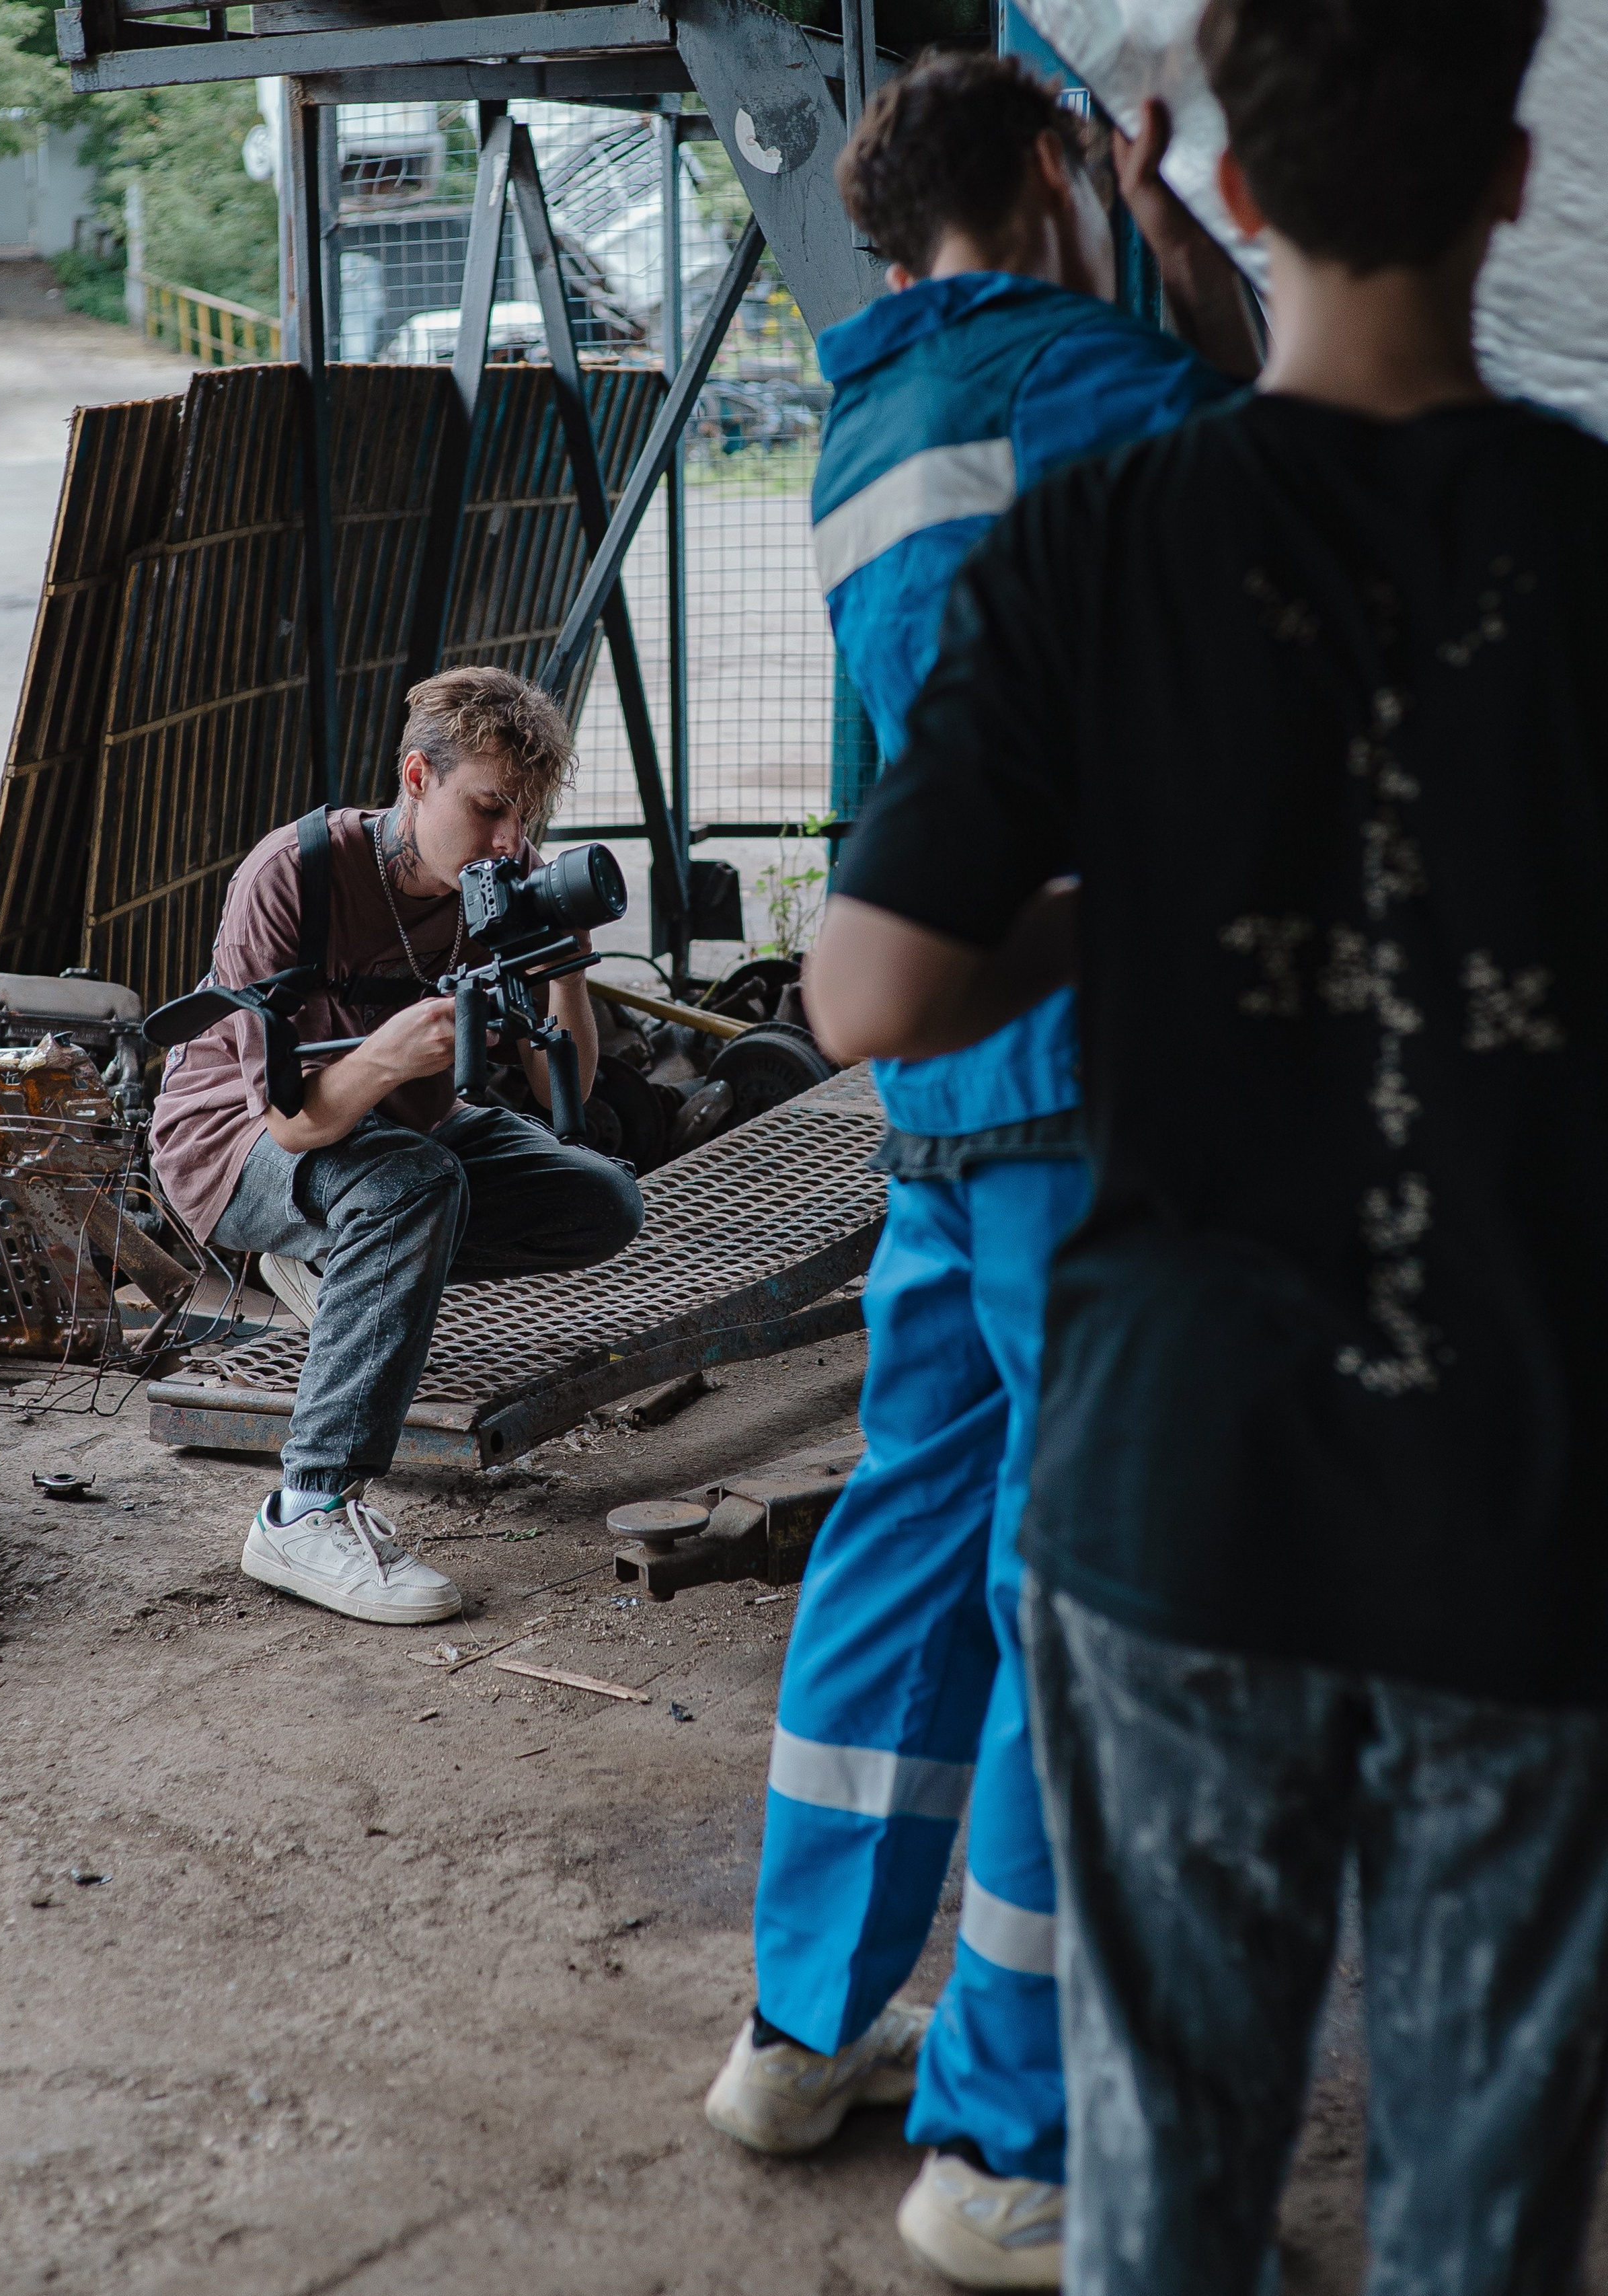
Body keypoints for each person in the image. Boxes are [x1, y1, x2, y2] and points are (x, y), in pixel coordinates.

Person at [805, 1, 1608, 2288]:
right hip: (1522, 1505)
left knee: (1162, 2199)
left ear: (1238, 189)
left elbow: (867, 993)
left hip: (1180, 1497)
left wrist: (1121, 900)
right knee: (1489, 2211)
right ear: (1517, 185)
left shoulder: (1108, 530)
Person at [703, 53, 1254, 2289]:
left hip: (927, 1088)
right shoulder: (1101, 389)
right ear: (1058, 173)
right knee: (1079, 1603)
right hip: (1082, 1076)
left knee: (908, 1541)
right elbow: (1300, 436)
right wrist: (1176, 221)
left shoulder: (860, 427)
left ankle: (797, 2029)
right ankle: (1008, 2147)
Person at [149, 667, 644, 1625]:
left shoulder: (500, 877)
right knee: (412, 1184)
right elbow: (293, 1122)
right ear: (416, 776)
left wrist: (563, 959)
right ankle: (305, 1509)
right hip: (236, 1137)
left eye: (523, 815)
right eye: (489, 807)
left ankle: (369, 1268)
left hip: (401, 1132)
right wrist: (384, 1059)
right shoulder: (293, 874)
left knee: (602, 1200)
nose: (507, 839)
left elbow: (566, 1091)